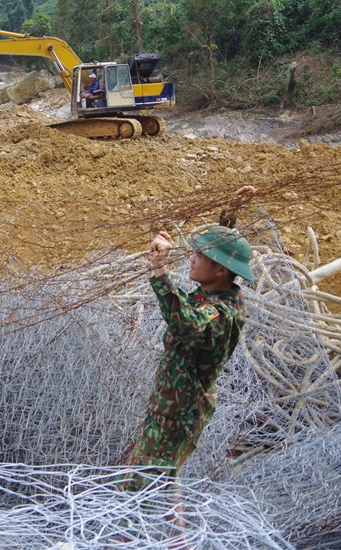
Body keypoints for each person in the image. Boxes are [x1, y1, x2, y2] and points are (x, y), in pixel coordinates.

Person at [125, 186, 257, 490]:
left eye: (200, 255)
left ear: (221, 271)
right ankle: (174, 536)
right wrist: (228, 218)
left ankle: (136, 537)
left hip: (178, 415)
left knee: (139, 491)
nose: (192, 259)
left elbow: (185, 322)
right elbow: (220, 261)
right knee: (159, 483)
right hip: (171, 408)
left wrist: (160, 269)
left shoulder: (220, 312)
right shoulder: (216, 290)